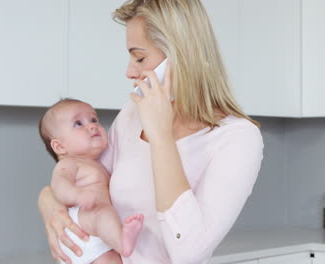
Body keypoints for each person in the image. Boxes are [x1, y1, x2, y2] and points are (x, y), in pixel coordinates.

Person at [38, 0, 264, 263]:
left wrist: (161, 137)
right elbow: (86, 180)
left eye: (140, 57)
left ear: (180, 55)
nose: (129, 70)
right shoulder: (133, 114)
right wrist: (48, 204)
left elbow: (188, 252)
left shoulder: (237, 139)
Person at [38, 99, 144, 264]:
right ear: (59, 147)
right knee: (102, 214)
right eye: (78, 123)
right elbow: (59, 185)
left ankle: (121, 240)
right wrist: (77, 195)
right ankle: (122, 241)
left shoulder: (99, 164)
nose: (92, 126)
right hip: (82, 221)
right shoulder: (68, 164)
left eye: (94, 120)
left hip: (98, 233)